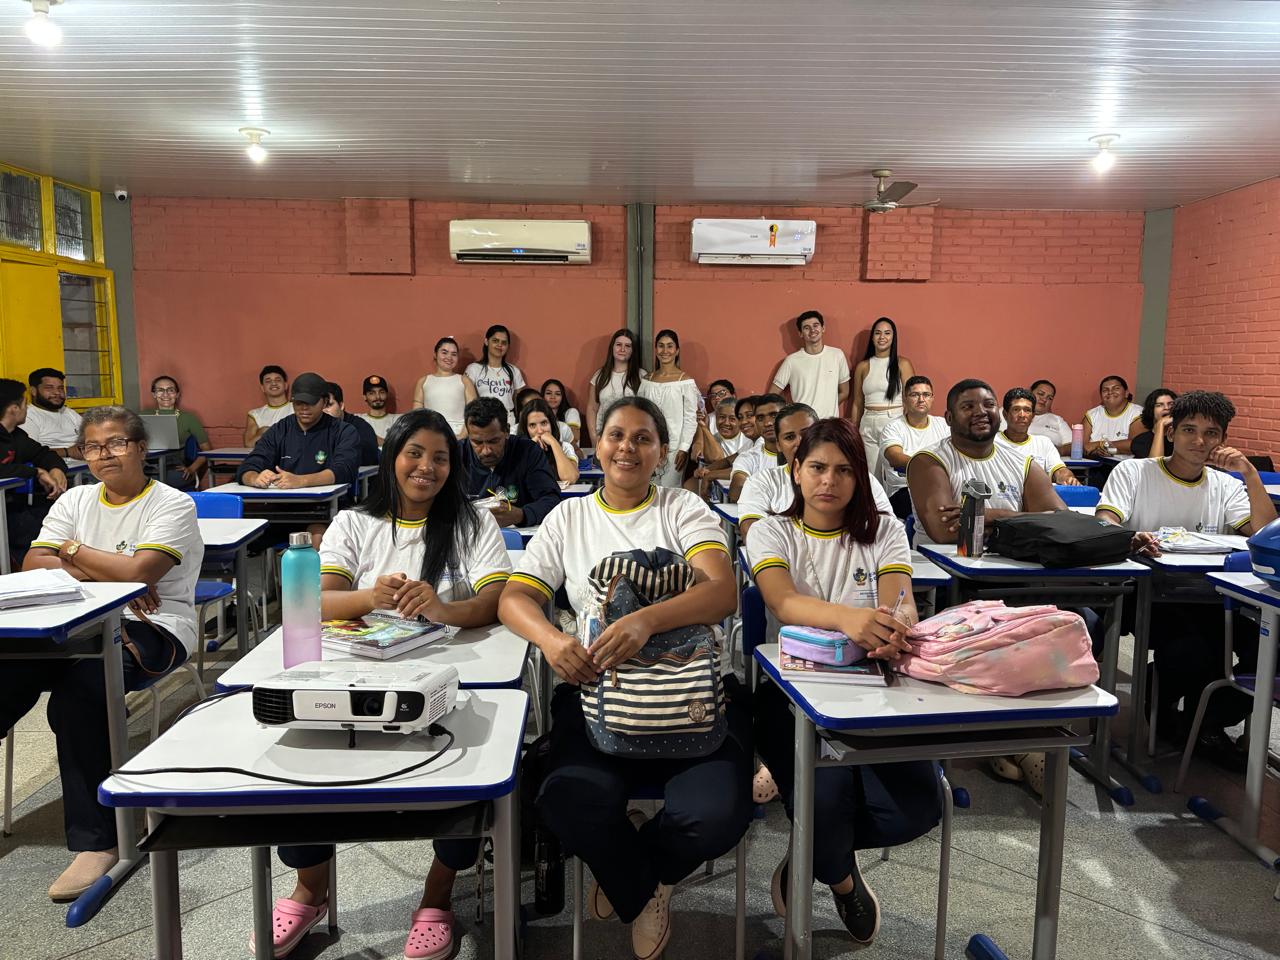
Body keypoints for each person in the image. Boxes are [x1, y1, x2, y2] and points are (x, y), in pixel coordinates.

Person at [500, 396, 749, 960]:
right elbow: (514, 599)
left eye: (643, 438)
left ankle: (635, 871)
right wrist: (553, 641)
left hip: (692, 694)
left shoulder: (683, 509)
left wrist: (645, 621)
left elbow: (720, 592)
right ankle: (644, 887)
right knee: (565, 802)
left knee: (716, 815)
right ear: (598, 443)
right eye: (616, 435)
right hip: (597, 692)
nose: (627, 448)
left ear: (661, 452)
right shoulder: (569, 518)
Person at [261, 409, 511, 960]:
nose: (427, 467)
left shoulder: (473, 523)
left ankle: (438, 895)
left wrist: (444, 608)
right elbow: (316, 601)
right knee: (304, 760)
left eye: (440, 458)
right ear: (391, 456)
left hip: (450, 675)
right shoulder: (355, 523)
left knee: (466, 770)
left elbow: (496, 600)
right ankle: (310, 891)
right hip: (355, 674)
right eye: (414, 453)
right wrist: (368, 597)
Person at [747, 417, 941, 945]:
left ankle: (812, 854)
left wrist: (896, 626)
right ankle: (841, 877)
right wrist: (850, 619)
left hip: (876, 690)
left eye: (843, 470)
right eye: (816, 468)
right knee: (824, 799)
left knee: (918, 809)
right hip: (791, 694)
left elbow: (900, 599)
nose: (828, 481)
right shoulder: (772, 530)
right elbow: (783, 602)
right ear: (796, 471)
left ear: (860, 476)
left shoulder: (884, 531)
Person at [3, 405, 201, 901]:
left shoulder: (172, 503)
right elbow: (33, 563)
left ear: (140, 448)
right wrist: (114, 573)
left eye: (115, 443)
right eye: (92, 446)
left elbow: (140, 573)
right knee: (8, 675)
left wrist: (72, 551)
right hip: (70, 620)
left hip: (154, 626)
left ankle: (102, 839)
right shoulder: (76, 499)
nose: (103, 455)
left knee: (79, 696)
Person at [1097, 391, 1276, 764]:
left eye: (1211, 433)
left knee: (1271, 651)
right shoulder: (1134, 472)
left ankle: (1204, 724)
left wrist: (1250, 474)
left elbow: (1263, 535)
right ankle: (1176, 713)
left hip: (1213, 596)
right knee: (1195, 651)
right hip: (1149, 593)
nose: (1199, 441)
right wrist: (1129, 537)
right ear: (1171, 432)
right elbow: (1104, 522)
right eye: (1189, 430)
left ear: (1222, 440)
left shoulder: (1226, 484)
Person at [907, 379, 1066, 545]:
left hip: (1009, 560)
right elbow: (946, 531)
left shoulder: (1023, 463)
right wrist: (1022, 522)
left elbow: (1061, 521)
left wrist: (986, 515)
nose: (981, 412)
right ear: (949, 418)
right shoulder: (927, 461)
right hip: (943, 561)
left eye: (989, 405)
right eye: (968, 406)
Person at [237, 372, 362, 493]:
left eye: (311, 402)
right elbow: (249, 465)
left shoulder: (343, 431)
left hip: (330, 503)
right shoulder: (280, 430)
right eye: (298, 402)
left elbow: (344, 470)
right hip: (282, 501)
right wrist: (255, 478)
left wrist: (301, 481)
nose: (304, 408)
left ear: (324, 402)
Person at [459, 398, 560, 529]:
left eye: (493, 441)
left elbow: (552, 500)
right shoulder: (457, 455)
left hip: (523, 536)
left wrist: (522, 515)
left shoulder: (528, 451)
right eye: (477, 442)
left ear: (507, 431)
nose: (486, 451)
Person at [0, 378, 68, 564]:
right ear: (14, 408)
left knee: (57, 518)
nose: (27, 408)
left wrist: (55, 469)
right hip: (6, 512)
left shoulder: (16, 435)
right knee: (29, 529)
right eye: (25, 404)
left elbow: (43, 454)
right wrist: (36, 472)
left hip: (11, 505)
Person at [877, 375, 950, 519]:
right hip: (904, 491)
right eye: (915, 395)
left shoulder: (943, 426)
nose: (921, 399)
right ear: (905, 399)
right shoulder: (893, 428)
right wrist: (932, 468)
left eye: (926, 395)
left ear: (932, 398)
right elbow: (894, 457)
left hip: (940, 488)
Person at [852, 317, 915, 476]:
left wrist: (911, 427)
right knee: (870, 475)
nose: (882, 337)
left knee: (894, 474)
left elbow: (912, 398)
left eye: (887, 333)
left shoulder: (903, 364)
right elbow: (857, 402)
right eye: (878, 333)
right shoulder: (863, 366)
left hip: (893, 420)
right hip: (868, 423)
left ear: (893, 337)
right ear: (872, 337)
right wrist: (853, 431)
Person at [638, 329, 700, 487]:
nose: (665, 350)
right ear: (656, 349)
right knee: (647, 489)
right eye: (661, 346)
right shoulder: (647, 381)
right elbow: (639, 413)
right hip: (648, 445)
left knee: (670, 492)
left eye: (670, 346)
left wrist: (684, 448)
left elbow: (690, 418)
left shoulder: (685, 382)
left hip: (674, 449)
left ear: (677, 351)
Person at [772, 310, 851, 419]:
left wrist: (828, 407)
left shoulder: (837, 355)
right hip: (802, 424)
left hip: (829, 424)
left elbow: (845, 391)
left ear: (823, 328)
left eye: (815, 325)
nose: (812, 330)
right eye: (806, 328)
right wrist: (790, 415)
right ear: (800, 333)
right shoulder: (791, 361)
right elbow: (772, 395)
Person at [996, 387, 1078, 486]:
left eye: (1027, 410)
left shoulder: (1043, 443)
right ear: (1005, 415)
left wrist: (1068, 479)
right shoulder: (993, 443)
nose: (1022, 415)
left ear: (1032, 416)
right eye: (1016, 409)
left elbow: (1060, 471)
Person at [147, 375, 212, 488]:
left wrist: (191, 469)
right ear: (154, 394)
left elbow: (207, 449)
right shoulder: (143, 416)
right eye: (160, 390)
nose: (166, 394)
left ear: (177, 394)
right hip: (146, 466)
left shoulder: (188, 418)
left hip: (174, 468)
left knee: (156, 484)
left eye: (170, 390)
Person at [587, 328, 645, 442]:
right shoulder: (599, 375)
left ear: (633, 350)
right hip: (604, 436)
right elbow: (592, 408)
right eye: (618, 344)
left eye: (627, 346)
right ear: (612, 347)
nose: (622, 349)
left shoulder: (642, 376)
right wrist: (594, 437)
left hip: (632, 438)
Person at [414, 337, 477, 439]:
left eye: (454, 354)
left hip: (460, 436)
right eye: (444, 352)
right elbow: (417, 415)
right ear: (435, 354)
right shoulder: (423, 381)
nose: (449, 357)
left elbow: (473, 412)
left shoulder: (465, 381)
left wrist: (461, 436)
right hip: (431, 435)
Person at [728, 393, 784, 502]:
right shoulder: (748, 457)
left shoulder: (805, 453)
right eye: (760, 418)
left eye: (774, 415)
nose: (767, 423)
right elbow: (736, 491)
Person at [464, 324, 525, 415]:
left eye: (504, 342)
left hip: (508, 418)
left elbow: (519, 402)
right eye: (495, 341)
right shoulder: (473, 369)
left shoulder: (514, 371)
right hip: (483, 418)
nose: (500, 345)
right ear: (486, 341)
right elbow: (469, 399)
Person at [517, 398, 580, 483]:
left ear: (551, 424)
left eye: (544, 423)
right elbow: (514, 482)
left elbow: (570, 478)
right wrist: (530, 448)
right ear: (526, 429)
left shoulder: (565, 447)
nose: (540, 431)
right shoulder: (518, 449)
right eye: (532, 425)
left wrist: (553, 442)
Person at [24, 367, 82, 458]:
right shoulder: (27, 416)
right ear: (33, 391)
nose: (57, 392)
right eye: (49, 388)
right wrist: (67, 452)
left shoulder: (69, 413)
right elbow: (28, 452)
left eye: (60, 388)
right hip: (57, 465)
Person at [323, 381, 381, 467]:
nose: (324, 411)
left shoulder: (360, 427)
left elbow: (368, 457)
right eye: (320, 406)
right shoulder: (314, 427)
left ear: (341, 406)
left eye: (329, 405)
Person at [1082, 375, 1142, 456]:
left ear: (1126, 393)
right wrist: (1094, 452)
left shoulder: (1137, 413)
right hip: (1096, 462)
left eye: (1116, 388)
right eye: (1105, 390)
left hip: (1126, 463)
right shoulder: (1092, 415)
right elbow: (1080, 447)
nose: (1110, 392)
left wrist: (1100, 444)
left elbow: (1135, 445)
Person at [244, 365, 291, 446]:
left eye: (278, 380)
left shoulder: (298, 408)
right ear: (263, 388)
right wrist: (262, 433)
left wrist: (266, 432)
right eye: (268, 381)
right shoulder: (255, 414)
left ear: (286, 385)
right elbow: (248, 444)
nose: (273, 383)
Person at [1129, 388, 1178, 458]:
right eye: (1159, 405)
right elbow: (1155, 462)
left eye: (1171, 404)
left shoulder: (1182, 437)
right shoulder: (1141, 441)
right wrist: (1161, 424)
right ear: (1151, 411)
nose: (1167, 408)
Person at [1028, 379, 1072, 452]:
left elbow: (1072, 445)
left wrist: (1055, 450)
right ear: (1029, 393)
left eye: (1050, 398)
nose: (1044, 399)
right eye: (1040, 394)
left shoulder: (1057, 420)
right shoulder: (1014, 415)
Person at [357, 374, 401, 445]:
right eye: (372, 393)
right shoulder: (358, 420)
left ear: (387, 394)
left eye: (381, 392)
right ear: (365, 397)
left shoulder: (399, 420)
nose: (378, 397)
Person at [541, 378, 583, 447]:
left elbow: (574, 439)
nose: (553, 397)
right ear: (542, 396)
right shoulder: (538, 416)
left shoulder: (571, 412)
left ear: (562, 397)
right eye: (548, 393)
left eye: (557, 394)